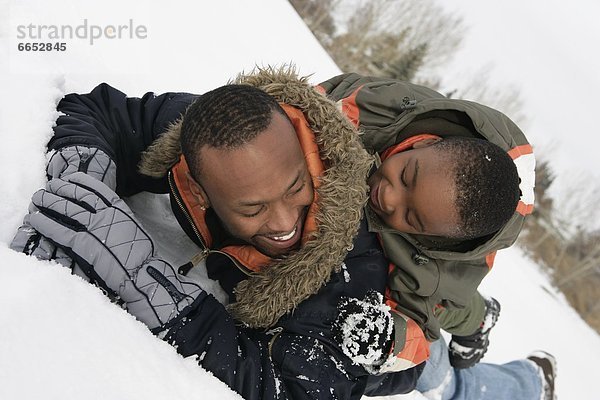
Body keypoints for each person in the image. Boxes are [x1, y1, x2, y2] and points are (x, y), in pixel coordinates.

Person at [11, 68, 423, 400]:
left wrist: (145, 280)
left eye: (296, 186)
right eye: (253, 208)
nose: (283, 222)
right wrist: (84, 189)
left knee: (430, 370)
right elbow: (100, 112)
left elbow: (299, 390)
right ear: (197, 190)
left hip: (391, 360)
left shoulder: (350, 262)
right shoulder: (203, 132)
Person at [318, 73, 556, 399]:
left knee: (438, 372)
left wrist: (388, 339)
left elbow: (416, 330)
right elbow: (309, 106)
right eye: (406, 175)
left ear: (433, 239)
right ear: (425, 142)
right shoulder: (384, 110)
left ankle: (504, 354)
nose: (387, 198)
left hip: (438, 279)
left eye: (411, 217)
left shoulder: (433, 266)